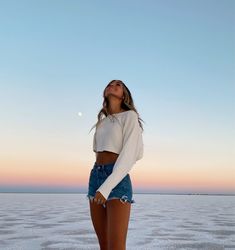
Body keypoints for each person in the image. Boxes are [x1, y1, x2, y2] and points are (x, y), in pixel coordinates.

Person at [86, 79, 144, 250]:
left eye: (118, 84)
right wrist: (99, 183)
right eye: (110, 83)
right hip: (96, 175)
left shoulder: (130, 116)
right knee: (103, 246)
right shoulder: (102, 122)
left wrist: (106, 187)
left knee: (116, 246)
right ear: (105, 93)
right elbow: (98, 150)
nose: (113, 85)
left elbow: (130, 156)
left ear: (124, 94)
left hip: (117, 178)